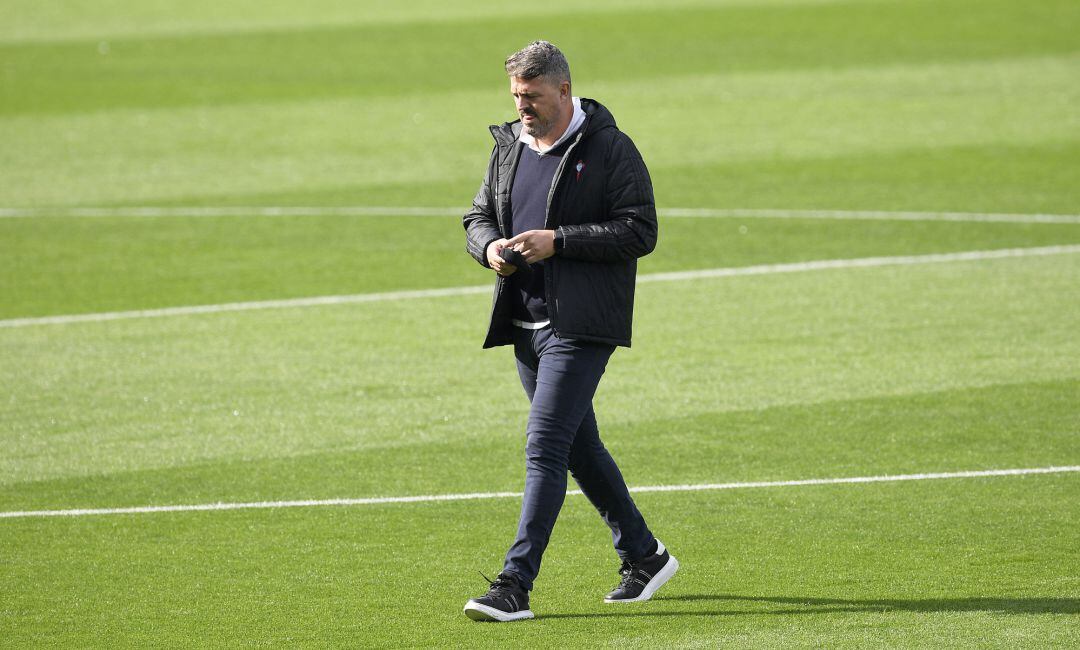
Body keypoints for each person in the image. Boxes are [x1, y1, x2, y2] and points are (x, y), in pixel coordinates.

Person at [461, 41, 677, 623]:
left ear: (563, 89)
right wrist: (491, 249)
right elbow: (477, 216)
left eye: (531, 96)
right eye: (515, 97)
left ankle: (514, 585)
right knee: (579, 447)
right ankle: (644, 553)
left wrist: (560, 240)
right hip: (526, 319)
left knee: (545, 445)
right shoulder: (509, 146)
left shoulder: (609, 148)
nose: (522, 107)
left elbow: (640, 230)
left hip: (582, 325)